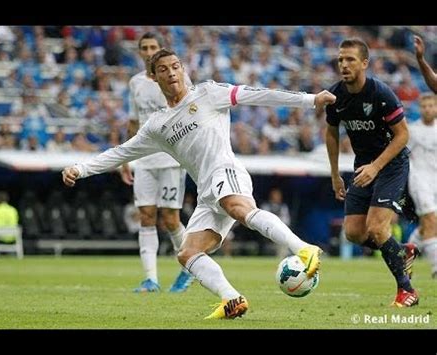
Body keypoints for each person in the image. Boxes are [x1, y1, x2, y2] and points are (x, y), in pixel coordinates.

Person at [62, 48, 335, 319]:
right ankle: (232, 298)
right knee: (187, 253)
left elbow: (258, 94)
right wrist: (81, 168)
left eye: (175, 66)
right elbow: (121, 152)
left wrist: (310, 100)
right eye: (163, 69)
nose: (171, 72)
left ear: (183, 69)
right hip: (207, 191)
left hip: (226, 171)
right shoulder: (157, 125)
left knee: (238, 208)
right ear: (154, 78)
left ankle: (303, 248)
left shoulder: (208, 93)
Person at [325, 38, 420, 307]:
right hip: (362, 167)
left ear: (364, 63)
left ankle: (407, 291)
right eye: (341, 59)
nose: (344, 64)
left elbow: (403, 136)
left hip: (391, 165)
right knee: (354, 233)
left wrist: (376, 166)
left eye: (350, 59)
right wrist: (334, 174)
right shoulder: (336, 96)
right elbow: (331, 132)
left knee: (377, 228)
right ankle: (402, 252)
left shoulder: (381, 94)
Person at [120, 33, 193, 293]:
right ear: (139, 52)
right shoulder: (135, 83)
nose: (149, 51)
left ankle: (189, 269)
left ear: (160, 50)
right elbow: (133, 122)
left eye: (153, 47)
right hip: (144, 160)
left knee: (171, 219)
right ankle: (150, 279)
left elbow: (191, 114)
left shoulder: (177, 78)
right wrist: (126, 159)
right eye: (144, 48)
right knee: (146, 216)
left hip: (171, 158)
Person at [407, 94, 437, 279]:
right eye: (424, 106)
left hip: (435, 180)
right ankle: (435, 267)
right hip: (419, 180)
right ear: (420, 108)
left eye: (431, 105)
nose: (428, 109)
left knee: (430, 225)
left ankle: (407, 252)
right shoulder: (412, 131)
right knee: (431, 221)